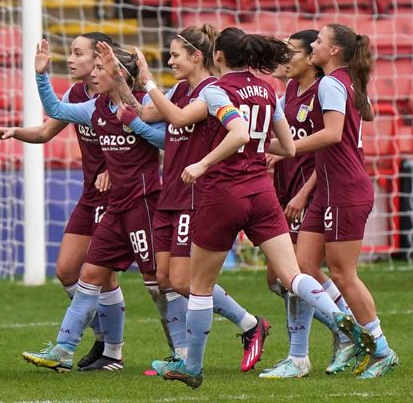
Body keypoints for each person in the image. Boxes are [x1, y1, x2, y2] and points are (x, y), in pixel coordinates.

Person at [147, 27, 371, 389]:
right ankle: (343, 321)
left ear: (217, 57)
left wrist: (147, 83)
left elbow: (182, 120)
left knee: (199, 287)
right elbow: (288, 146)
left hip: (223, 194)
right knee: (293, 275)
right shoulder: (268, 90)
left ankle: (192, 366)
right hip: (263, 193)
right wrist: (259, 152)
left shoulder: (217, 91)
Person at [123, 26, 270, 373]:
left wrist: (146, 81)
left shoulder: (209, 93)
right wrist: (120, 84)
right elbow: (147, 114)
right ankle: (183, 354)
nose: (170, 60)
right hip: (170, 191)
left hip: (194, 194)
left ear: (196, 57)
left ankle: (247, 325)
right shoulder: (178, 90)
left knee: (183, 281)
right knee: (165, 280)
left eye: (175, 54)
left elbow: (173, 116)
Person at [21, 40, 165, 372]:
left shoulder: (146, 103)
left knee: (165, 283)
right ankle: (69, 348)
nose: (90, 71)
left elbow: (165, 141)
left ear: (117, 71)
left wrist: (135, 122)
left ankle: (189, 352)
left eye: (98, 65)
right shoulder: (92, 105)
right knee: (85, 274)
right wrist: (41, 76)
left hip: (143, 202)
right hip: (109, 204)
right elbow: (54, 115)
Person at [269, 23, 398, 379]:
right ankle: (347, 336)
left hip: (344, 189)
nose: (315, 47)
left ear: (334, 51)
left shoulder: (329, 82)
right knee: (301, 267)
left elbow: (332, 133)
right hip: (327, 188)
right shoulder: (344, 81)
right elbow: (365, 114)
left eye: (320, 42)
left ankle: (381, 349)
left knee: (343, 273)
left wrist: (282, 148)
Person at [0, 33, 121, 369]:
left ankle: (113, 353)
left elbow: (150, 139)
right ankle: (103, 338)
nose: (71, 59)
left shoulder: (122, 96)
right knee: (66, 271)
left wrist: (116, 171)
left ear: (100, 58)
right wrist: (16, 131)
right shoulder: (78, 94)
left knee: (114, 277)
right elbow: (48, 131)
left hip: (121, 195)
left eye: (78, 53)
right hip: (91, 195)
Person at [259, 30, 355, 378]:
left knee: (296, 272)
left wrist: (303, 193)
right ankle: (345, 328)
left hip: (309, 189)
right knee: (280, 276)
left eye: (291, 52)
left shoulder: (324, 90)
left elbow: (330, 147)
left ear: (310, 59)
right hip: (288, 186)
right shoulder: (289, 92)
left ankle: (306, 353)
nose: (285, 59)